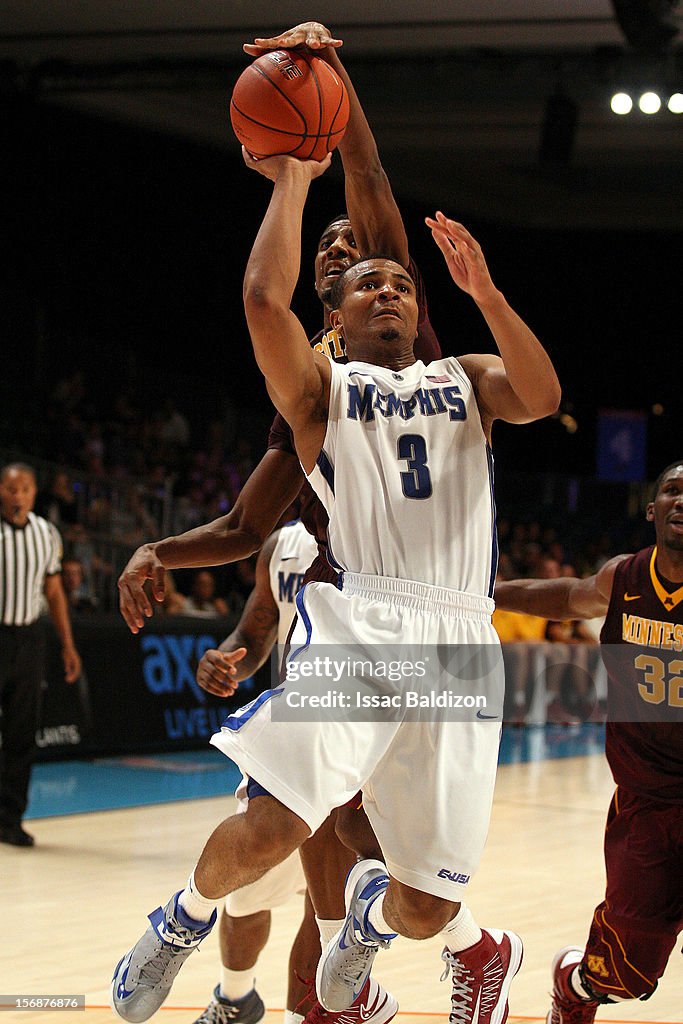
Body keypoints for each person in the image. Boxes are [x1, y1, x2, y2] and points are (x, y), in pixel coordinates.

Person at [110, 105, 561, 1024]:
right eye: (366, 281)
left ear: (419, 305)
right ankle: (179, 921)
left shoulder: (466, 374)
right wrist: (287, 180)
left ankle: (369, 922)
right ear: (338, 314)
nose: (387, 286)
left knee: (426, 905)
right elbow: (259, 305)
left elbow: (545, 396)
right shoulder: (319, 393)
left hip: (459, 642)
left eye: (400, 278)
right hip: (364, 622)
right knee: (280, 819)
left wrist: (486, 293)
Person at [115, 20, 439, 1024]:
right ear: (323, 292)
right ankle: (255, 983)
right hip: (332, 636)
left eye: (366, 252)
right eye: (334, 257)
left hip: (420, 630)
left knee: (382, 881)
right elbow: (250, 522)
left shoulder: (407, 350)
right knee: (302, 852)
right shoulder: (307, 389)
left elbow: (373, 191)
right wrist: (156, 549)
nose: (352, 256)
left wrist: (331, 94)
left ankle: (333, 984)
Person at [494, 459, 683, 1023]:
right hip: (646, 798)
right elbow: (567, 596)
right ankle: (575, 985)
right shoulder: (624, 578)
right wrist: (488, 593)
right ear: (652, 511)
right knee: (627, 970)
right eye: (673, 490)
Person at [0, 462, 82, 846]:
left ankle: (9, 819)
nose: (18, 496)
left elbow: (53, 592)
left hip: (29, 639)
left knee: (21, 732)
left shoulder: (46, 534)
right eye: (11, 489)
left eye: (25, 489)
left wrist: (66, 644)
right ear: (1, 490)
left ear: (34, 493)